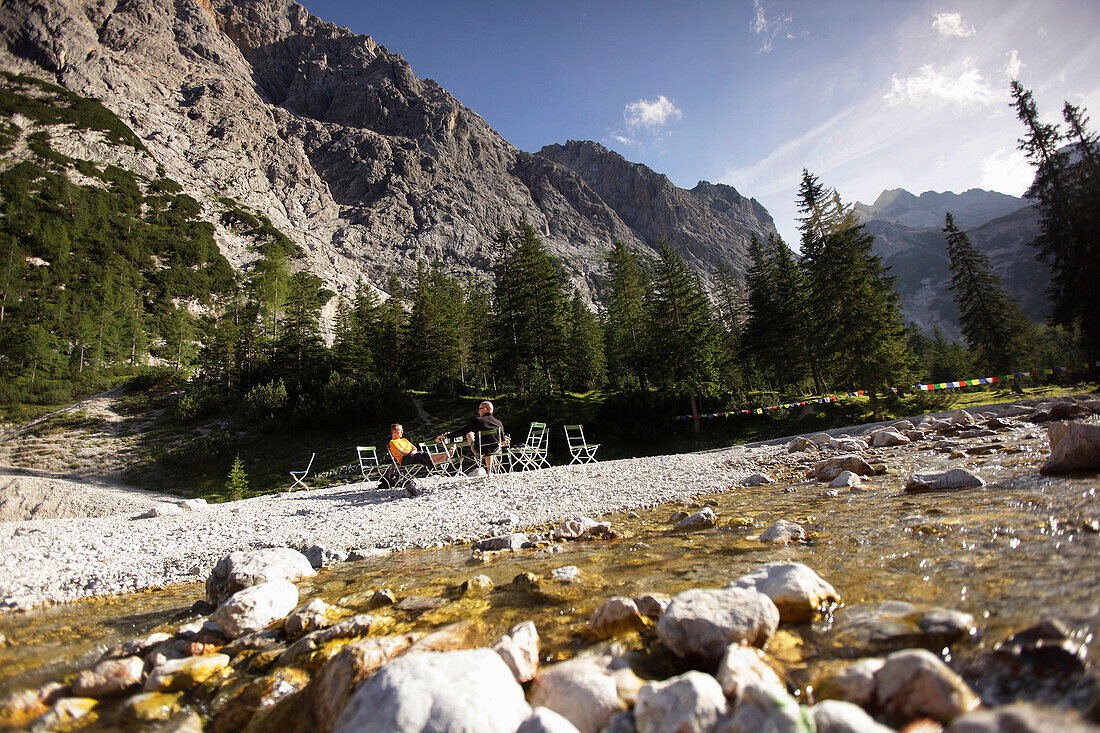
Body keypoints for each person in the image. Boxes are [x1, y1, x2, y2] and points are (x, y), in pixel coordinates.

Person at [437, 401, 509, 476]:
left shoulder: (478, 421)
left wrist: (446, 436)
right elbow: (503, 441)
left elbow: (462, 431)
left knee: (469, 433)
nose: (478, 411)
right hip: (495, 449)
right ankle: (489, 472)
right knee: (489, 448)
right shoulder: (498, 423)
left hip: (479, 450)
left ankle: (487, 469)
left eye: (480, 409)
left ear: (485, 409)